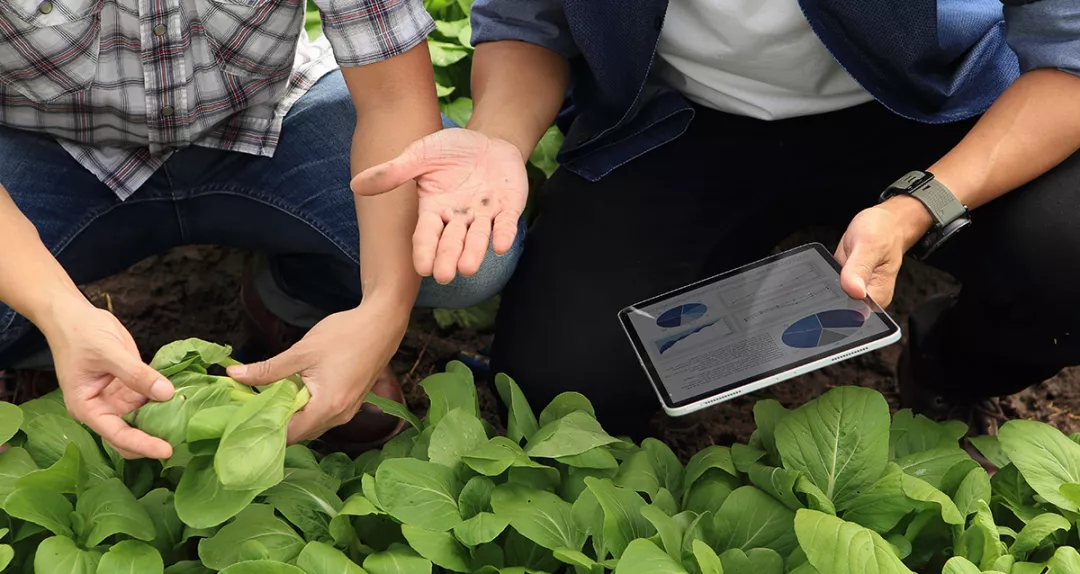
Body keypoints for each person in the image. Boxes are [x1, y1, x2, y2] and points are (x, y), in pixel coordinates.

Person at [352, 0, 1080, 436]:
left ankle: (948, 362)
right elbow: (530, 22)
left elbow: (1068, 57)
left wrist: (921, 203)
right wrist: (499, 138)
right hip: (683, 122)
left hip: (920, 107)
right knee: (567, 385)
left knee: (1065, 253)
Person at [0, 0, 521, 459]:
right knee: (27, 301)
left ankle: (296, 302)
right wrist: (56, 311)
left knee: (461, 246)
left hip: (264, 121)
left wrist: (383, 309)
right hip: (48, 148)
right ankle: (48, 344)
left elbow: (392, 99)